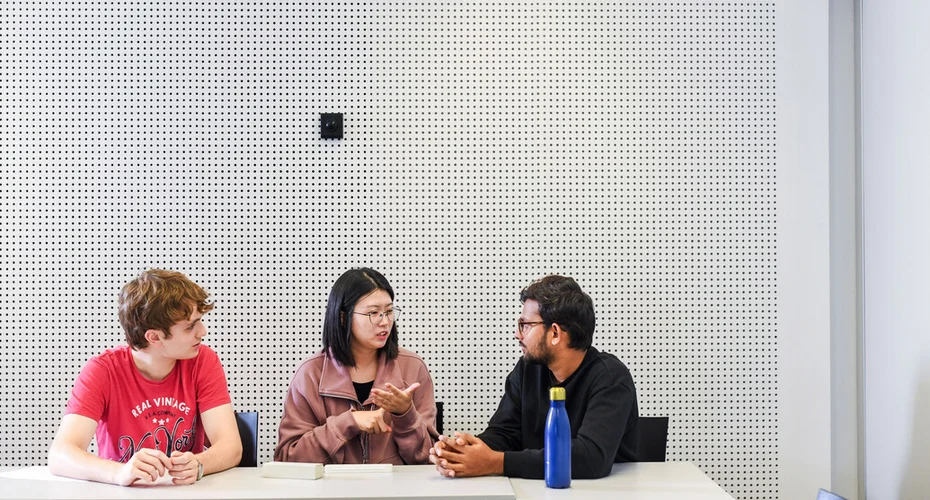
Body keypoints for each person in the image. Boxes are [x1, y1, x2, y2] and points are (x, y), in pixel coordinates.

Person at [429, 275, 639, 479]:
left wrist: (496, 463)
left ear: (555, 333)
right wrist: (462, 451)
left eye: (526, 325)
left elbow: (591, 459)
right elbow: (504, 434)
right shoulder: (528, 369)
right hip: (537, 491)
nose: (517, 334)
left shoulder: (610, 378)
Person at [48, 269, 242, 486]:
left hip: (185, 493)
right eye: (190, 326)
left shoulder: (203, 360)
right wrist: (119, 473)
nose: (202, 331)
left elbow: (231, 447)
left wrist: (198, 463)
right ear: (155, 337)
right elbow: (60, 455)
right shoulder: (103, 370)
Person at [276, 267, 438, 464]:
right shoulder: (311, 373)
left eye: (389, 312)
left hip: (395, 492)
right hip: (330, 493)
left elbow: (429, 459)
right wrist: (347, 423)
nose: (385, 322)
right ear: (343, 317)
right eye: (373, 313)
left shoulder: (412, 367)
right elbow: (288, 458)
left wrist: (405, 414)